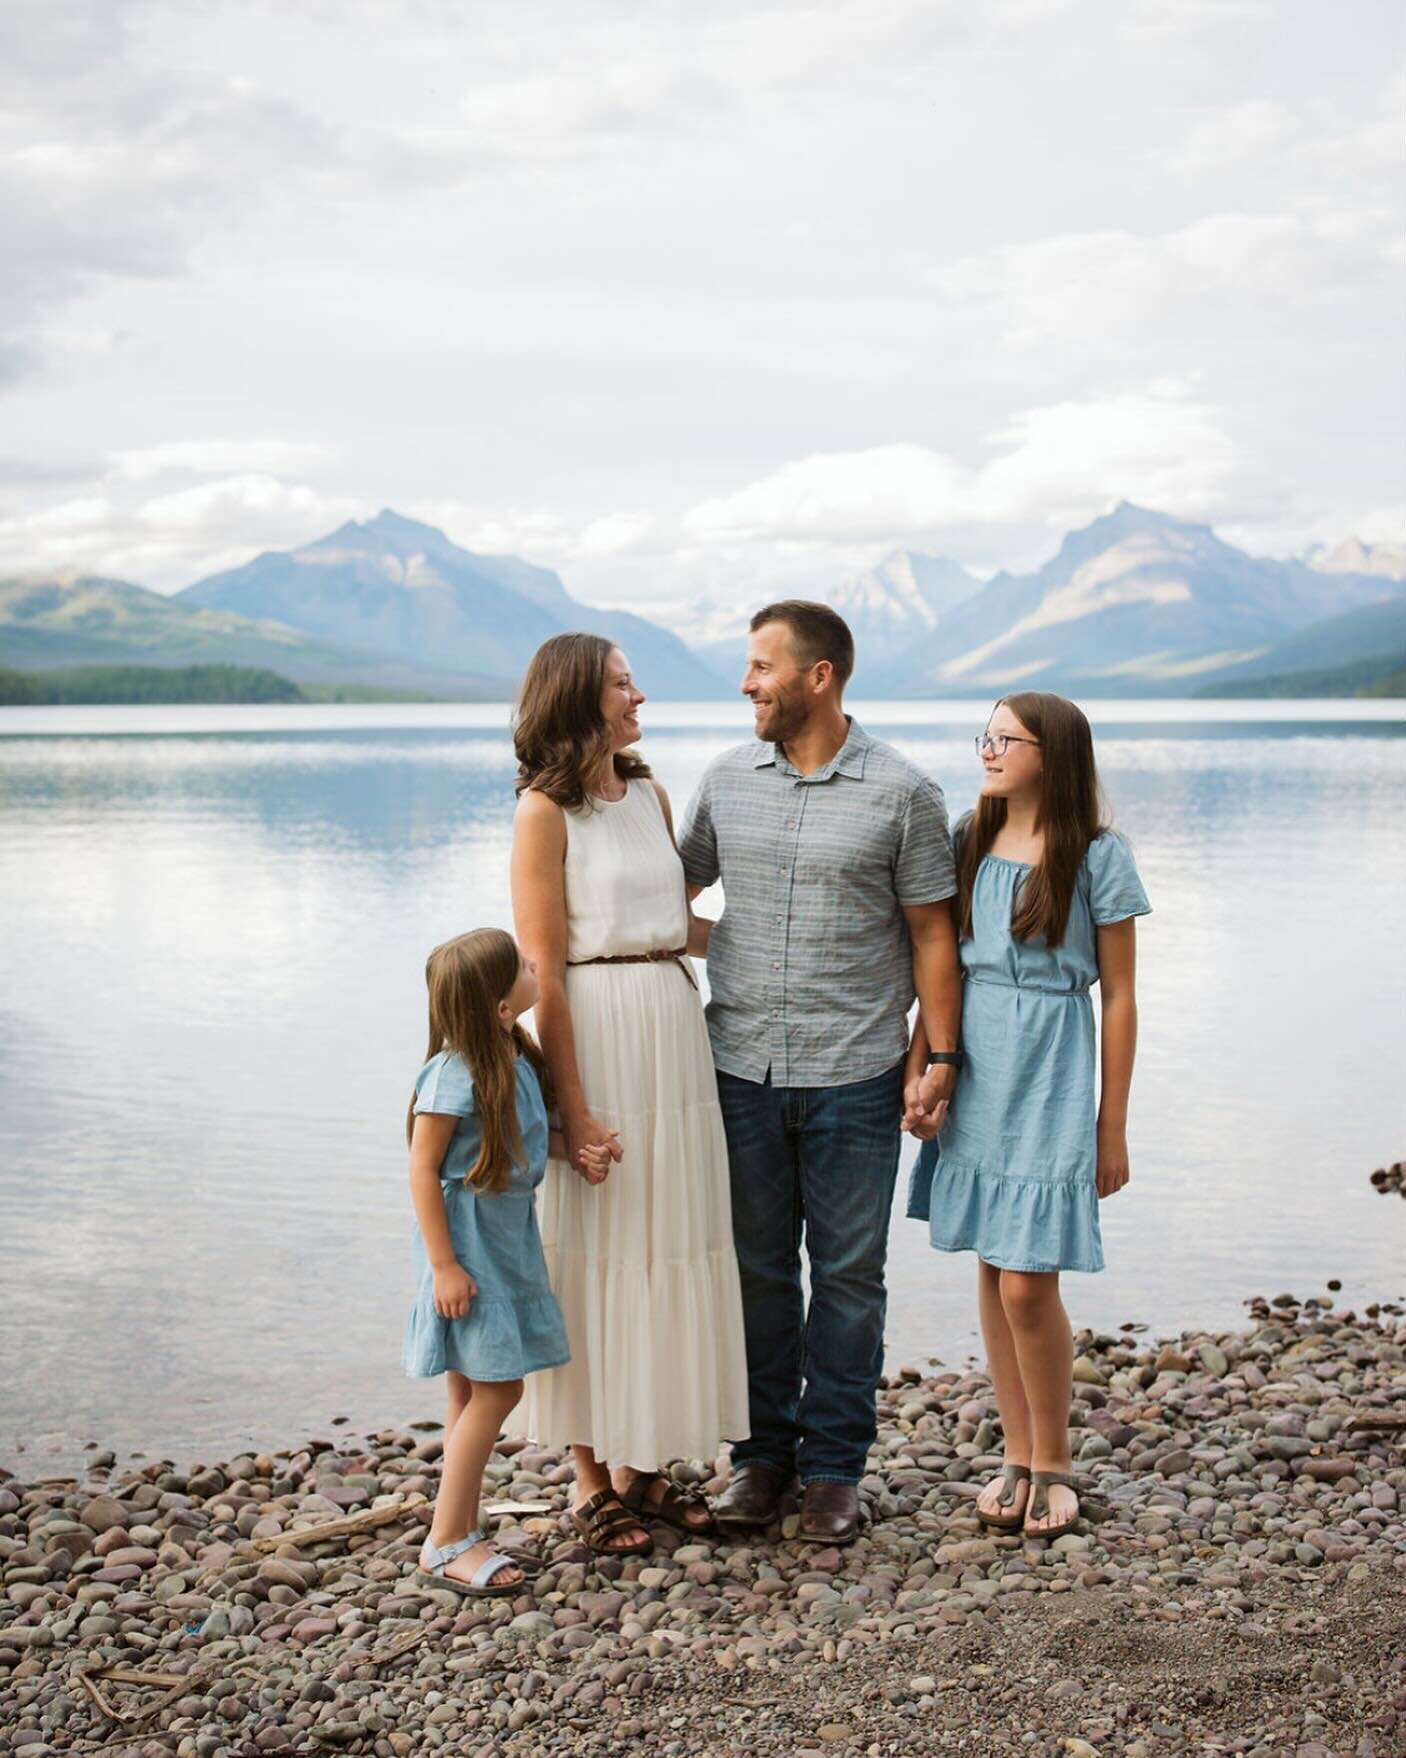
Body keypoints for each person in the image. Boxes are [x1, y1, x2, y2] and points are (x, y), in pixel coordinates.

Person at [677, 601, 962, 1546]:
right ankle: (762, 1461)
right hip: (739, 1068)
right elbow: (669, 904)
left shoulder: (904, 792)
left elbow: (933, 935)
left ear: (818, 676)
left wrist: (940, 1055)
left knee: (848, 1276)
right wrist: (739, 950)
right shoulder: (724, 780)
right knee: (756, 1272)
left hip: (857, 1073)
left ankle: (834, 1471)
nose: (747, 684)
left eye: (761, 666)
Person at [508, 633, 750, 1557]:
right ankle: (589, 1483)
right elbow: (546, 972)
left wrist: (778, 940)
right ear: (579, 697)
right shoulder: (542, 813)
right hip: (598, 1033)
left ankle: (646, 1472)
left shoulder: (648, 792)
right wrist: (571, 1110)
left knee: (674, 1239)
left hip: (674, 1029)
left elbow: (677, 924)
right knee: (596, 1249)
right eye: (621, 683)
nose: (638, 693)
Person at [905, 692, 1150, 1540]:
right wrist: (925, 1070)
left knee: (1025, 1277)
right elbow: (937, 970)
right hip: (974, 1062)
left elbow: (1118, 997)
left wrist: (1109, 1125)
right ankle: (1015, 1452)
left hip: (1050, 1066)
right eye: (987, 735)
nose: (989, 749)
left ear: (1054, 753)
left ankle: (1054, 1464)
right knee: (990, 1262)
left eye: (1007, 738)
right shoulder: (966, 839)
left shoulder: (1096, 855)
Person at [403, 928, 612, 1596]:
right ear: (499, 1005)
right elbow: (422, 1169)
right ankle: (443, 1544)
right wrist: (443, 1266)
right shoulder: (452, 1073)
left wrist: (572, 1148)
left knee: (470, 1390)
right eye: (522, 966)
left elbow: (513, 1144)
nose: (534, 963)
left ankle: (461, 1525)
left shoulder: (514, 1057)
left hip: (507, 1242)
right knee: (501, 1388)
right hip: (468, 1249)